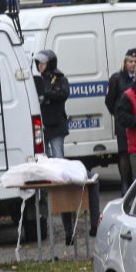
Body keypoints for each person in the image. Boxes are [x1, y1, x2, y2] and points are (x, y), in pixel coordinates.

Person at [33, 50, 79, 244]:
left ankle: (70, 229)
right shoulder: (36, 79)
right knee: (44, 169)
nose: (40, 66)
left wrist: (47, 94)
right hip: (41, 128)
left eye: (42, 63)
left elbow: (62, 94)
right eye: (38, 63)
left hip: (56, 127)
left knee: (59, 166)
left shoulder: (59, 78)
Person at [105, 48, 136, 192]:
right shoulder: (117, 79)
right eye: (130, 61)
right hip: (123, 122)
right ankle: (125, 183)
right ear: (125, 63)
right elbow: (109, 101)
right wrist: (119, 116)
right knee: (124, 153)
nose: (133, 64)